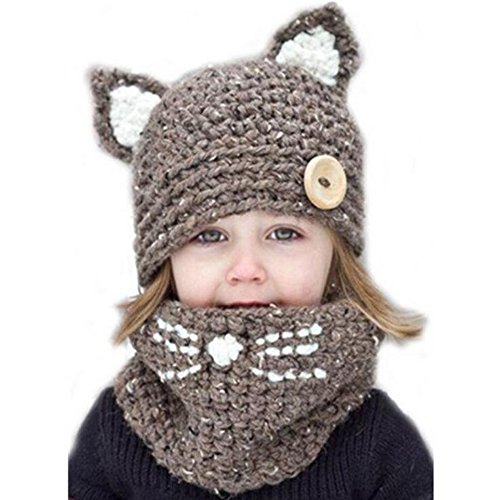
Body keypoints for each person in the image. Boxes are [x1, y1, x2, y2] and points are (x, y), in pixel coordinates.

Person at [68, 2, 433, 499]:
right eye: (208, 236)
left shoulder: (379, 447)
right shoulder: (113, 438)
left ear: (335, 252)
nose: (246, 269)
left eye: (284, 234)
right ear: (162, 259)